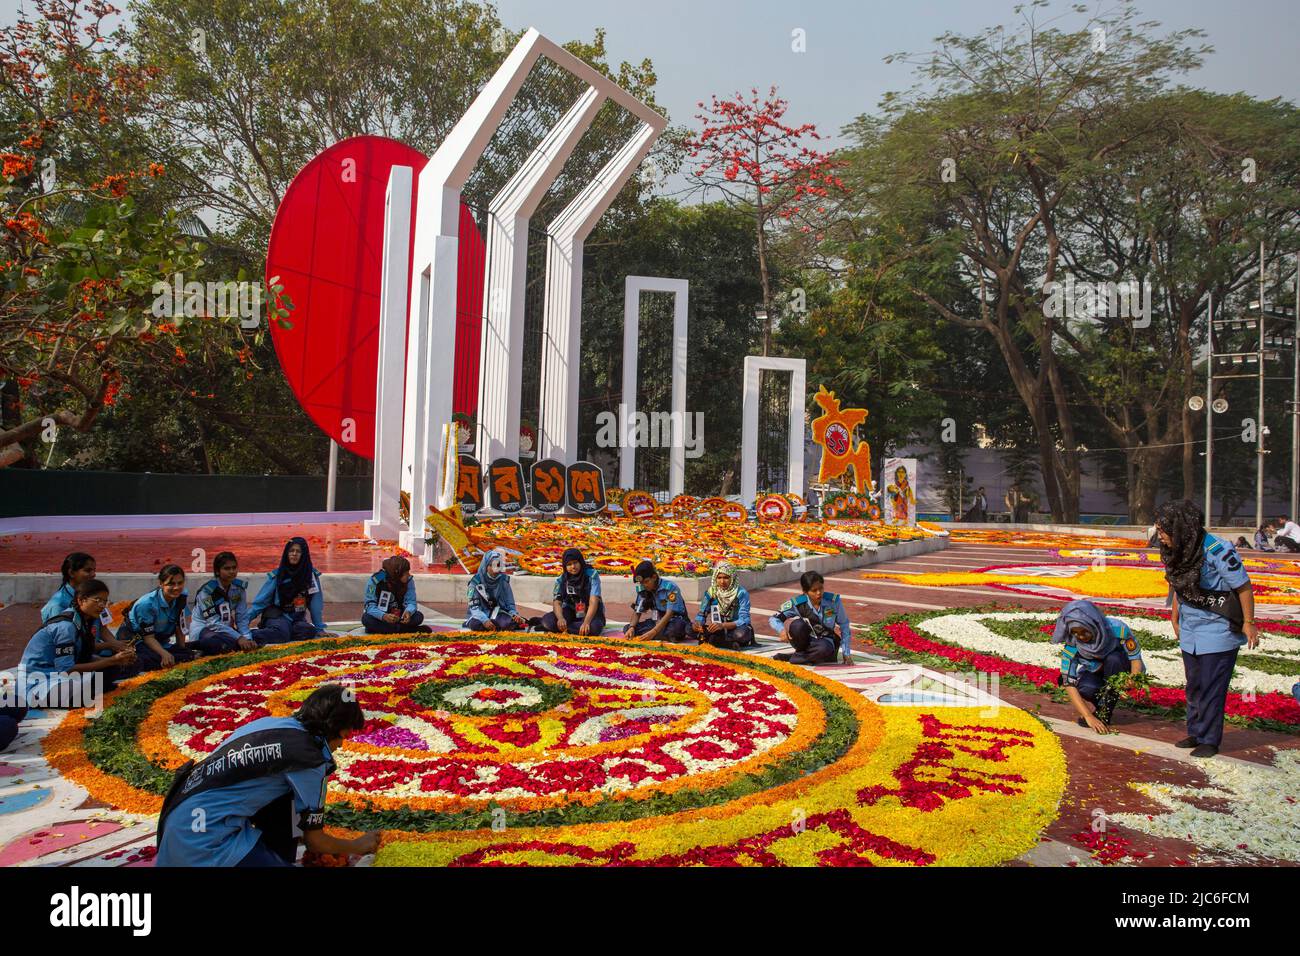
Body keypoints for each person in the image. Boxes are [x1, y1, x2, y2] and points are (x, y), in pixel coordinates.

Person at [155, 684, 382, 867]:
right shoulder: (310, 757)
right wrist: (357, 845)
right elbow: (315, 842)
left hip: (176, 827)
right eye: (345, 736)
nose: (341, 745)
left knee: (287, 798)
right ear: (341, 730)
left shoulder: (270, 725)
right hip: (205, 845)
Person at [1155, 499, 1258, 758]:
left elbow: (1243, 586)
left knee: (1212, 686)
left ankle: (1210, 739)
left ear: (1179, 528)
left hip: (1218, 629)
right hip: (1191, 629)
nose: (1160, 537)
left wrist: (1249, 623)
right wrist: (1175, 617)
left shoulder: (1217, 549)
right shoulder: (1178, 549)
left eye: (1162, 531)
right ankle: (1197, 731)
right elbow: (1179, 585)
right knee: (1194, 685)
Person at [19, 579, 137, 706]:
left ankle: (89, 689)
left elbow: (83, 655)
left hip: (62, 673)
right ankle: (85, 691)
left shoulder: (86, 620)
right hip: (39, 678)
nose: (102, 606)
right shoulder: (66, 627)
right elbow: (66, 669)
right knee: (81, 693)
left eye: (105, 601)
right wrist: (112, 659)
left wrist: (118, 660)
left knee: (115, 667)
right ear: (81, 600)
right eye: (98, 600)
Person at [1051, 599, 1146, 734]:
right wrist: (1088, 716)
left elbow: (1135, 657)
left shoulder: (1117, 629)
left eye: (1084, 632)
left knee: (1114, 659)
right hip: (1095, 672)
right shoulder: (1072, 645)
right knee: (1085, 688)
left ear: (1094, 625)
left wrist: (1134, 677)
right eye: (1076, 633)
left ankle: (1106, 708)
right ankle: (1100, 707)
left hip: (1121, 669)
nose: (1081, 637)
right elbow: (1068, 682)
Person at [249, 537, 328, 644]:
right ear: (286, 553)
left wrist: (319, 628)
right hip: (277, 616)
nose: (294, 554)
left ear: (304, 554)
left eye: (298, 551)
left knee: (308, 631)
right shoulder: (278, 576)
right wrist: (243, 627)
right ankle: (253, 634)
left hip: (296, 619)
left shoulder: (311, 576)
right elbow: (260, 602)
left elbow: (315, 605)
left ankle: (280, 632)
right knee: (282, 632)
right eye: (291, 551)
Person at [122, 564, 199, 670]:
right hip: (138, 643)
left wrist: (182, 649)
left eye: (180, 583)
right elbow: (148, 638)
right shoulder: (147, 604)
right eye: (171, 584)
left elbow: (179, 627)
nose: (176, 587)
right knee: (153, 660)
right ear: (161, 584)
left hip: (160, 642)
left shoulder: (180, 598)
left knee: (188, 654)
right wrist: (164, 654)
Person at [769, 571, 851, 665]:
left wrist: (846, 653)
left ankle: (793, 658)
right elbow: (774, 618)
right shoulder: (798, 603)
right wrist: (781, 630)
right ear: (805, 592)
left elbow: (844, 625)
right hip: (805, 641)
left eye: (821, 588)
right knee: (797, 625)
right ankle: (806, 657)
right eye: (814, 590)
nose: (819, 593)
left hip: (825, 641)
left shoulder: (833, 601)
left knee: (823, 649)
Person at [190, 552, 261, 655]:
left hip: (226, 629)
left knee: (254, 638)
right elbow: (212, 623)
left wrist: (247, 638)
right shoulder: (207, 592)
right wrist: (239, 638)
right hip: (205, 629)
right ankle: (194, 647)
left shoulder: (239, 589)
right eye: (227, 568)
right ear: (218, 571)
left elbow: (241, 617)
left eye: (234, 567)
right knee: (216, 643)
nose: (232, 571)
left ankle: (233, 644)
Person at [541, 548, 604, 636]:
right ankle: (573, 627)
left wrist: (586, 622)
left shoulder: (592, 575)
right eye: (569, 564)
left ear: (580, 562)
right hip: (570, 610)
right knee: (547, 622)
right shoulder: (561, 579)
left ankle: (567, 628)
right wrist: (560, 618)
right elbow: (557, 602)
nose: (573, 567)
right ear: (565, 566)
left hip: (589, 612)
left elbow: (593, 601)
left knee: (594, 628)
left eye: (575, 562)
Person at [692, 561, 755, 650]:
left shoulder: (741, 593)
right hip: (718, 628)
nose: (722, 581)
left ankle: (717, 641)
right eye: (719, 578)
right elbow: (702, 613)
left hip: (735, 627)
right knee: (690, 629)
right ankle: (727, 643)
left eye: (726, 578)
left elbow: (744, 620)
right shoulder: (711, 592)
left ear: (732, 578)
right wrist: (698, 623)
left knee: (740, 635)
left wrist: (723, 625)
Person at [363, 555, 432, 634]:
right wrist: (383, 616)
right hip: (381, 616)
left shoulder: (409, 581)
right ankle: (406, 630)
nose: (408, 575)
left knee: (418, 616)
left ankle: (386, 629)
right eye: (406, 573)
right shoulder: (376, 579)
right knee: (366, 619)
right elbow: (369, 605)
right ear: (397, 573)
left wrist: (409, 612)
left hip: (400, 617)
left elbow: (411, 602)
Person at [623, 560, 689, 642]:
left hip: (673, 620)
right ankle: (663, 635)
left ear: (654, 577)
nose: (644, 585)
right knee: (627, 628)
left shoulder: (670, 587)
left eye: (646, 582)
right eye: (641, 583)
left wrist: (653, 632)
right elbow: (637, 611)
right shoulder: (643, 589)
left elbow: (669, 614)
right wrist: (631, 628)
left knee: (677, 628)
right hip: (657, 621)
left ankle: (659, 634)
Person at [464, 549, 526, 632]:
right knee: (476, 624)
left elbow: (510, 604)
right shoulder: (475, 582)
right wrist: (484, 620)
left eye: (498, 565)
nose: (496, 569)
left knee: (509, 623)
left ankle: (497, 624)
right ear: (486, 566)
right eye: (493, 565)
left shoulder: (503, 580)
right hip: (480, 614)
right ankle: (496, 625)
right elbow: (474, 608)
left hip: (497, 613)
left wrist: (514, 614)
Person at [41, 552, 96, 623]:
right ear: (71, 573)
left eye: (94, 570)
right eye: (88, 570)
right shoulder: (58, 605)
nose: (94, 574)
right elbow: (61, 633)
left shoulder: (90, 594)